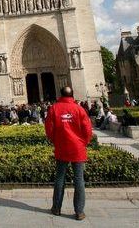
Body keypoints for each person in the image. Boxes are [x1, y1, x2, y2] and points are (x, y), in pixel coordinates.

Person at [45, 86, 92, 221]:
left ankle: (56, 208)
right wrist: (83, 142)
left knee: (60, 178)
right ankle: (79, 211)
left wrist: (56, 140)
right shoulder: (79, 109)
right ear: (72, 94)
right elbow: (88, 130)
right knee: (79, 180)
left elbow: (49, 129)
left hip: (61, 147)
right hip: (78, 148)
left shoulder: (54, 108)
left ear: (60, 94)